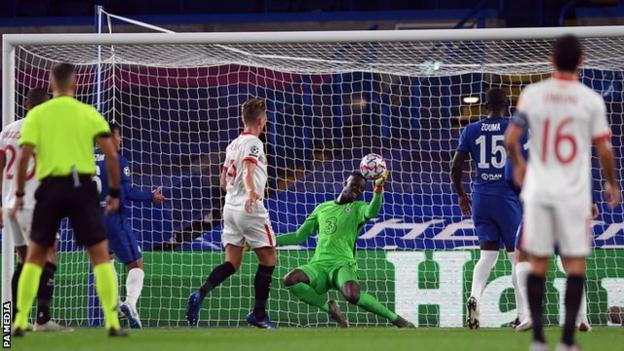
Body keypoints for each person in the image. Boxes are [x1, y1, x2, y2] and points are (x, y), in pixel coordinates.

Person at [505, 34, 620, 351]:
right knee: (574, 265)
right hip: (573, 195)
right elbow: (604, 149)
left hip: (539, 191)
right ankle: (568, 341)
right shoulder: (590, 100)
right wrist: (612, 182)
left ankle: (539, 340)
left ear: (551, 61)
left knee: (537, 262)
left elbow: (511, 137)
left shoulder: (532, 94)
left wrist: (518, 165)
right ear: (582, 61)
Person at [10, 63, 126, 337]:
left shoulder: (38, 114)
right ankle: (112, 321)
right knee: (99, 254)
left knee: (35, 256)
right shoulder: (87, 113)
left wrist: (18, 194)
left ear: (52, 84)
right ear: (75, 84)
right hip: (81, 188)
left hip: (49, 188)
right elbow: (110, 154)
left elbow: (25, 155)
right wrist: (114, 193)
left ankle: (18, 322)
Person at [276, 171, 413, 328]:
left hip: (342, 264)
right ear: (345, 183)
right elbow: (299, 236)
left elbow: (371, 212)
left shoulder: (357, 208)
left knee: (352, 296)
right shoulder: (322, 208)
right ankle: (329, 308)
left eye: (361, 189)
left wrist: (378, 188)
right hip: (318, 265)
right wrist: (271, 241)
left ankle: (396, 319)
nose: (356, 190)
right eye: (354, 185)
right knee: (290, 279)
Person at [186, 98, 277, 328]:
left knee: (232, 263)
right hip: (249, 208)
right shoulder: (254, 143)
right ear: (261, 120)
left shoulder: (233, 144)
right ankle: (258, 314)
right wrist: (250, 191)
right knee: (269, 260)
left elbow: (223, 181)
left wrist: (239, 190)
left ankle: (200, 293)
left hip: (230, 208)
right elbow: (247, 169)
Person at [503, 131, 595, 332]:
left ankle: (529, 315)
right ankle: (581, 319)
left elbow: (509, 174)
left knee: (522, 256)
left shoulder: (522, 136)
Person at [450, 88, 522, 329]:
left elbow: (455, 166)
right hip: (507, 197)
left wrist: (461, 195)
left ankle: (475, 297)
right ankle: (522, 314)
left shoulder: (470, 129)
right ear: (506, 105)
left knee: (487, 255)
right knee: (516, 257)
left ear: (485, 106)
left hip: (480, 197)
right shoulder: (515, 128)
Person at [0, 88, 70, 332]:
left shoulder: (7, 130)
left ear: (27, 104)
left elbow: (1, 168)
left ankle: (14, 319)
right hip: (35, 203)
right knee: (49, 255)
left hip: (11, 205)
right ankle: (43, 318)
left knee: (25, 261)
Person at [95, 121, 167, 328]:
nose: (120, 140)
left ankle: (115, 306)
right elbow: (126, 192)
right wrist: (150, 197)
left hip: (92, 219)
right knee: (136, 264)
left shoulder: (86, 160)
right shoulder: (117, 159)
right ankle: (130, 304)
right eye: (118, 136)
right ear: (110, 138)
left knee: (107, 261)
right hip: (114, 218)